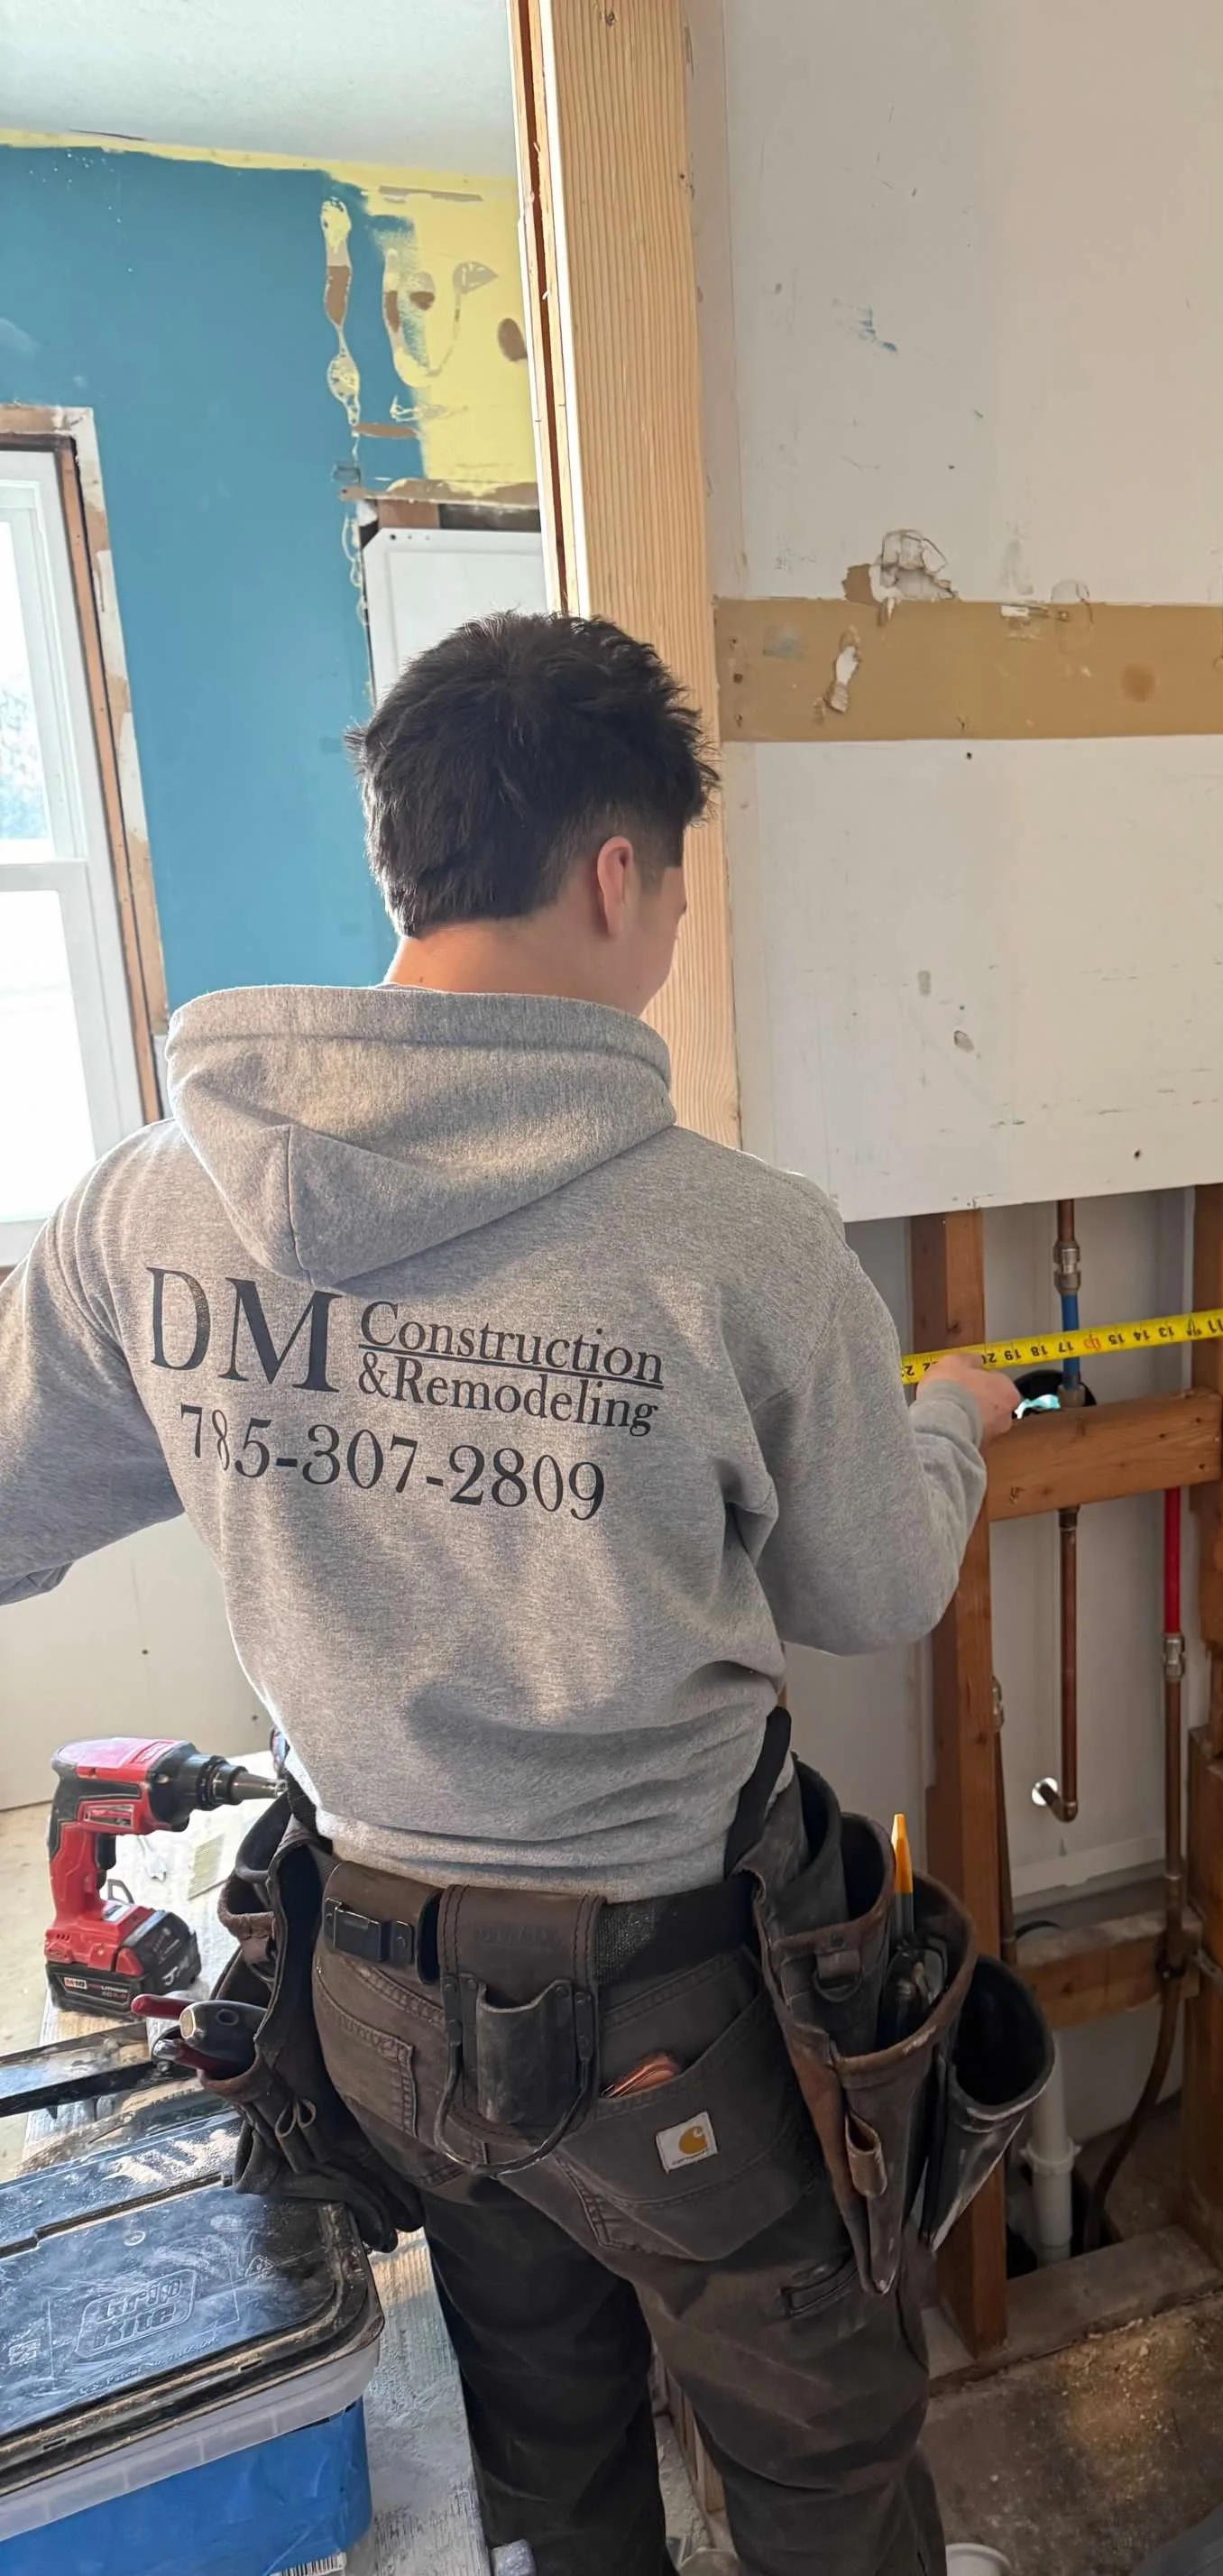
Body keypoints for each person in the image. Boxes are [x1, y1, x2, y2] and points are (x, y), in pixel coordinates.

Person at [0, 612, 1018, 2576]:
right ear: (616, 871)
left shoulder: (146, 1206)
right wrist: (950, 1422)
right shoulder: (737, 1238)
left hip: (376, 1983)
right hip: (675, 2005)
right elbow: (876, 1581)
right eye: (676, 892)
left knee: (547, 2450)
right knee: (822, 2458)